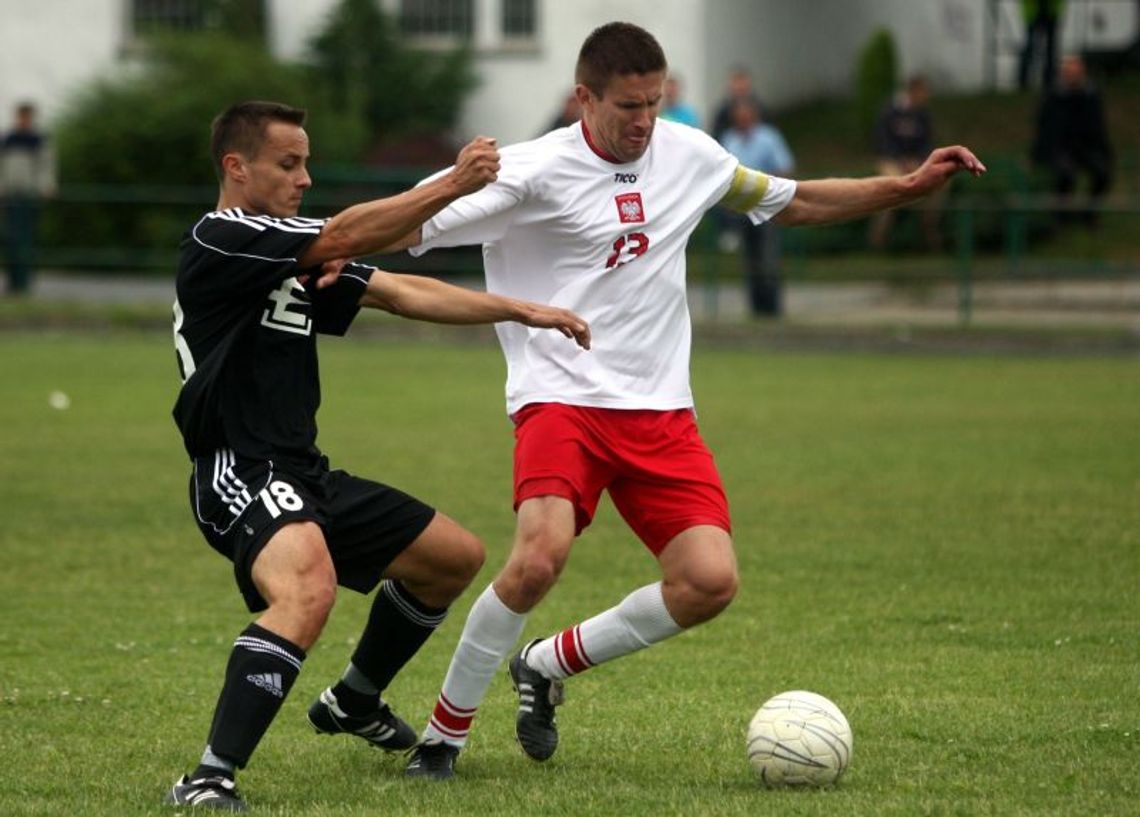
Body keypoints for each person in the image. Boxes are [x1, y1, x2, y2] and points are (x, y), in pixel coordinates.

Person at [389, 22, 984, 780]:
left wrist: (902, 187)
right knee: (538, 559)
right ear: (583, 99)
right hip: (560, 396)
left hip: (661, 409)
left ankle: (546, 664)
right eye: (627, 106)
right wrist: (311, 247)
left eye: (654, 102)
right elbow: (406, 221)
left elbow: (791, 201)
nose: (643, 121)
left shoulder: (692, 154)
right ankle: (443, 739)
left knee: (709, 581)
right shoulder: (530, 170)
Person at [164, 100, 590, 811]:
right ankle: (208, 777)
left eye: (306, 163)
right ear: (236, 167)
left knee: (450, 557)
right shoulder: (222, 236)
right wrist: (453, 184)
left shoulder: (296, 250)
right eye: (288, 163)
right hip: (237, 466)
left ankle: (355, 698)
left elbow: (400, 291)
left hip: (302, 468)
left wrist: (522, 309)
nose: (303, 177)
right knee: (306, 588)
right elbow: (345, 231)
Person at [718, 97, 794, 317]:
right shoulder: (729, 138)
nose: (741, 120)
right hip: (740, 208)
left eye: (745, 115)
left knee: (768, 257)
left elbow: (784, 167)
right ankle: (756, 309)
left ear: (754, 116)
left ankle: (773, 308)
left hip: (766, 206)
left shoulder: (769, 137)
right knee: (750, 260)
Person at [1030, 53, 1114, 225]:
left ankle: (1090, 214)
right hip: (1060, 149)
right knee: (1065, 174)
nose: (1072, 76)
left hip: (1086, 148)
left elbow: (1098, 127)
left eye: (1075, 72)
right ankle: (1061, 216)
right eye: (1069, 72)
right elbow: (1045, 129)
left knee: (1102, 172)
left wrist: (1104, 151)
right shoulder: (1054, 96)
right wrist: (1039, 153)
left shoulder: (1091, 95)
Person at [868, 74, 943, 252]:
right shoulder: (890, 111)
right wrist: (901, 160)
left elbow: (927, 142)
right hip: (891, 160)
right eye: (924, 91)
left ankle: (930, 232)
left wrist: (916, 160)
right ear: (913, 91)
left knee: (936, 186)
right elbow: (882, 141)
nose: (927, 96)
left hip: (915, 161)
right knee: (892, 187)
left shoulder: (923, 114)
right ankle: (878, 239)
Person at [0, 102, 56, 296]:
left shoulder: (38, 139)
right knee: (11, 238)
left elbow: (46, 165)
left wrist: (46, 185)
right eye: (21, 116)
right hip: (10, 194)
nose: (23, 120)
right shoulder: (8, 138)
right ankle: (12, 283)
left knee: (27, 239)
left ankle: (24, 283)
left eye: (26, 116)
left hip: (29, 194)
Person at [709, 65, 764, 143]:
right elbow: (716, 136)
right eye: (736, 82)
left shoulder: (759, 106)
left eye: (742, 82)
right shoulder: (723, 111)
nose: (740, 86)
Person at [1019, 0, 1065, 91]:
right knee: (1032, 48)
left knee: (1050, 49)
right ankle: (1023, 82)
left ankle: (1049, 81)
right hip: (1034, 10)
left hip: (1050, 11)